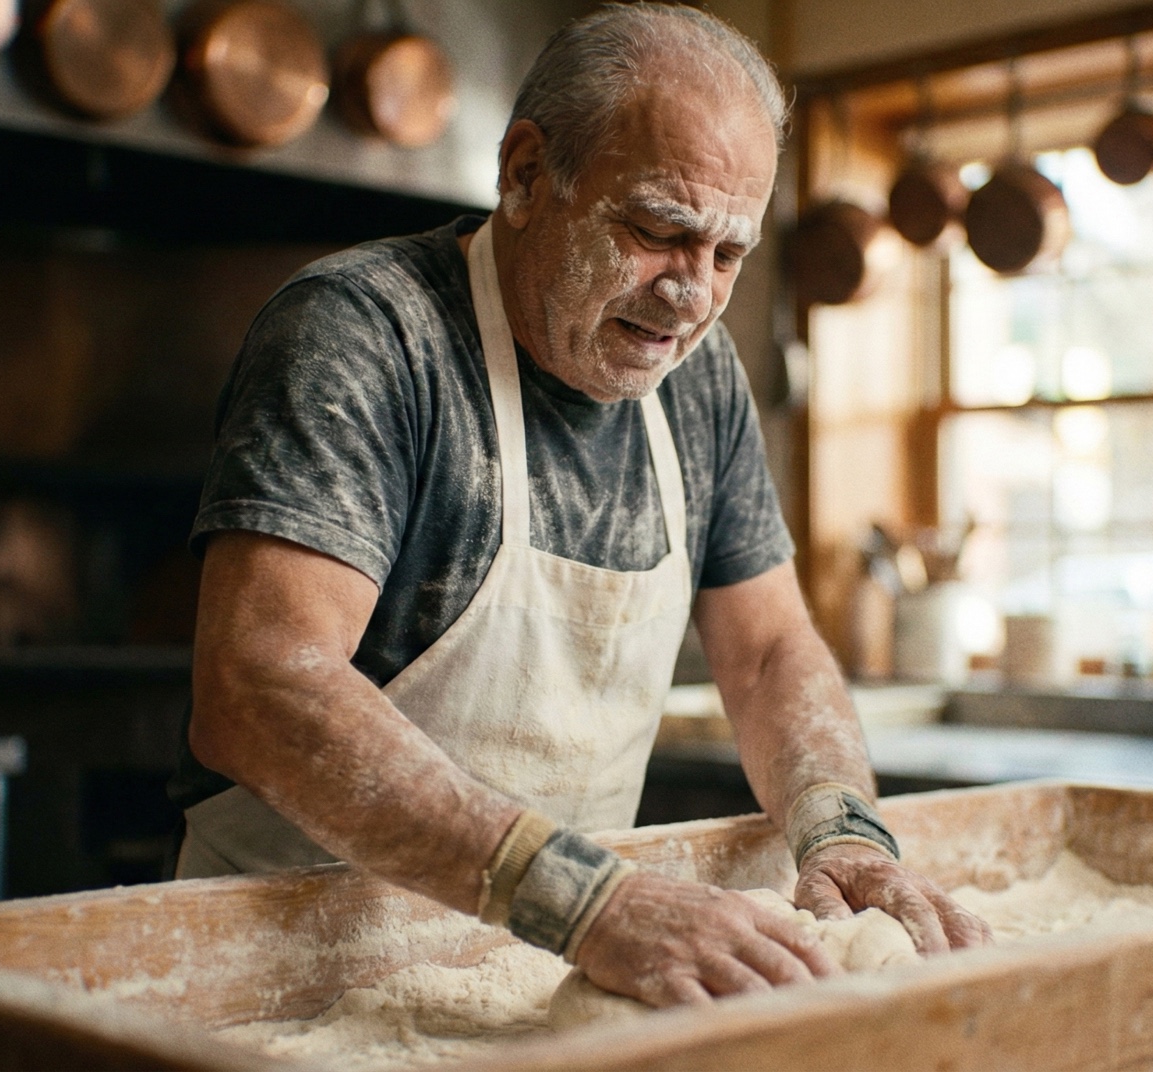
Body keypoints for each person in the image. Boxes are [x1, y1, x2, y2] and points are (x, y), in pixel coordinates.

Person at [172, 2, 990, 1008]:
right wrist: (587, 900)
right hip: (293, 982)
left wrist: (845, 832)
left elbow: (771, 646)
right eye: (657, 230)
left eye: (727, 255)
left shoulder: (701, 381)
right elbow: (260, 685)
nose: (692, 293)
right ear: (524, 175)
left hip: (546, 970)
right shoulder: (365, 335)